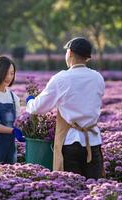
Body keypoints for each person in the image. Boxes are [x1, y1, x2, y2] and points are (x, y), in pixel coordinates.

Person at [26, 37, 105, 179]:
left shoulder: (62, 78)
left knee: (72, 187)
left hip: (70, 142)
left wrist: (30, 102)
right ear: (87, 57)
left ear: (70, 53)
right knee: (96, 186)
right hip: (93, 140)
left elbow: (39, 108)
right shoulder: (98, 77)